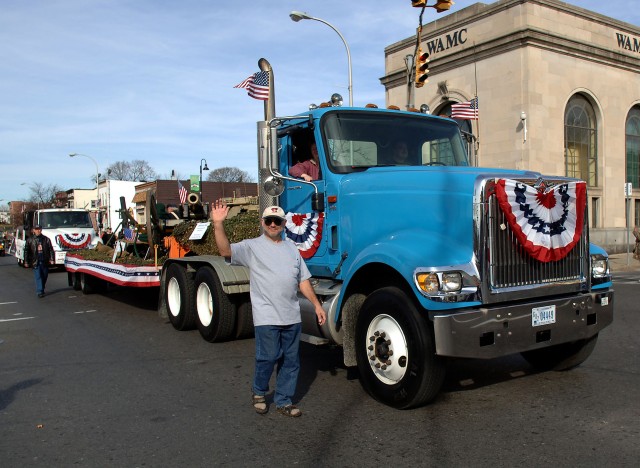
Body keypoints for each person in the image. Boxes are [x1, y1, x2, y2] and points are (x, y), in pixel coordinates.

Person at [210, 201, 326, 417]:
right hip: (266, 315)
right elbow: (225, 250)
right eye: (269, 221)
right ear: (263, 223)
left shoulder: (292, 249)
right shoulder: (251, 246)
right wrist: (218, 224)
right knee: (268, 357)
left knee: (291, 361)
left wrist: (317, 305)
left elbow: (303, 281)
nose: (273, 224)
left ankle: (284, 400)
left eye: (278, 221)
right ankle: (259, 392)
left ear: (284, 224)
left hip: (291, 315)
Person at [24, 224, 55, 298]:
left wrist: (52, 259)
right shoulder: (30, 240)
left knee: (44, 276)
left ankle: (42, 287)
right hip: (36, 261)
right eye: (36, 229)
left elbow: (51, 249)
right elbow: (26, 251)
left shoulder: (46, 239)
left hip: (44, 260)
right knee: (38, 276)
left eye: (39, 229)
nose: (38, 230)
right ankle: (39, 291)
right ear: (33, 230)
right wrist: (26, 261)